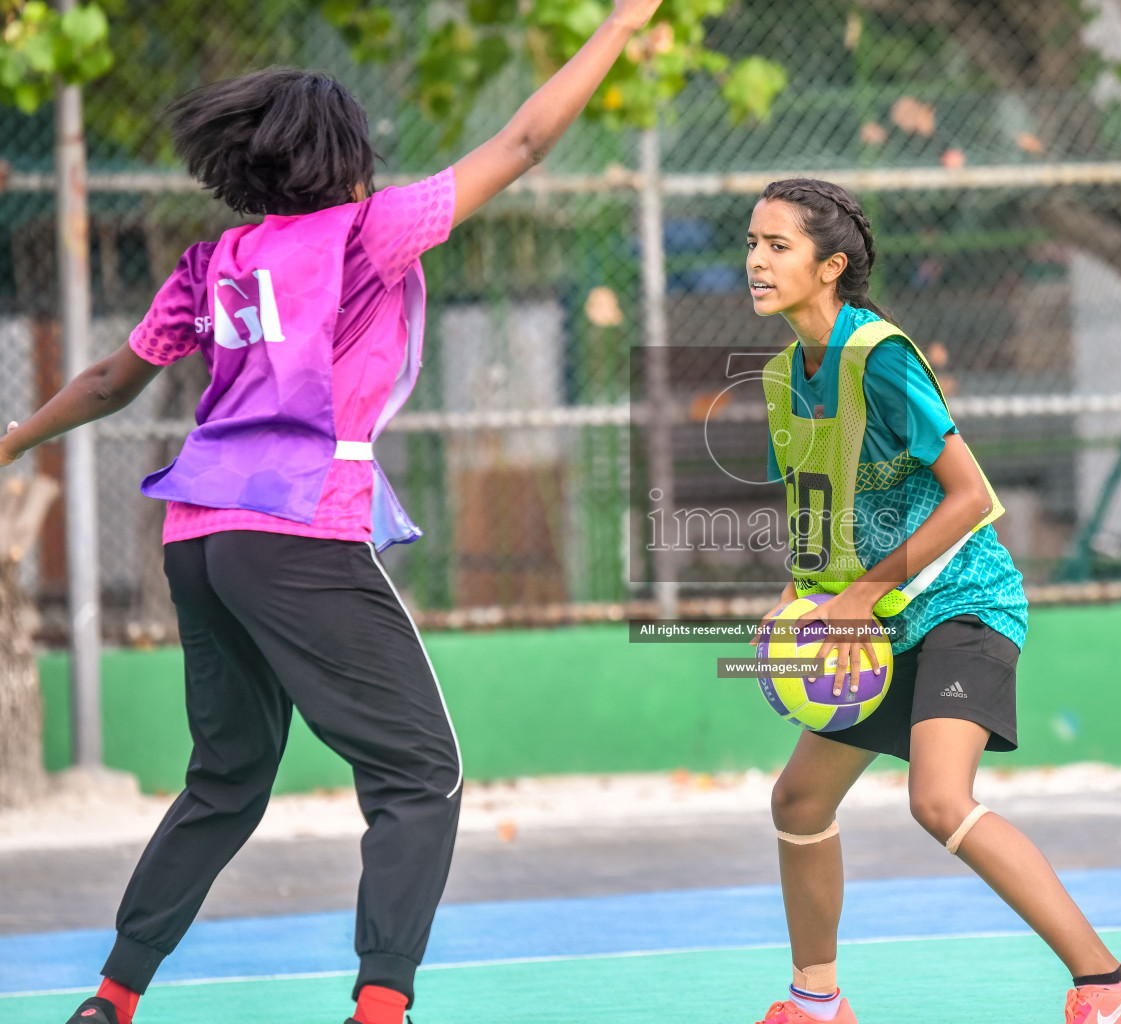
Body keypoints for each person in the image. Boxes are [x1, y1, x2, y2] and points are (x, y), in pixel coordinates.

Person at [0, 3, 663, 1022]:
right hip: (296, 528)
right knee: (421, 774)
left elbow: (104, 380)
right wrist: (621, 22)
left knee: (227, 779)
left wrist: (7, 441)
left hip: (199, 533)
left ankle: (112, 996)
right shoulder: (369, 230)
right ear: (346, 158)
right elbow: (527, 138)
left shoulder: (214, 261)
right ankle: (381, 1007)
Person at [743, 178, 1121, 1024]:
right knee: (797, 801)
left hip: (959, 605)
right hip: (874, 621)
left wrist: (866, 594)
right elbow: (817, 508)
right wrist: (795, 599)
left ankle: (1111, 982)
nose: (756, 261)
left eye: (777, 246)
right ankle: (816, 1003)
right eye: (752, 244)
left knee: (938, 799)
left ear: (831, 266)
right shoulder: (782, 375)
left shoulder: (882, 359)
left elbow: (971, 497)